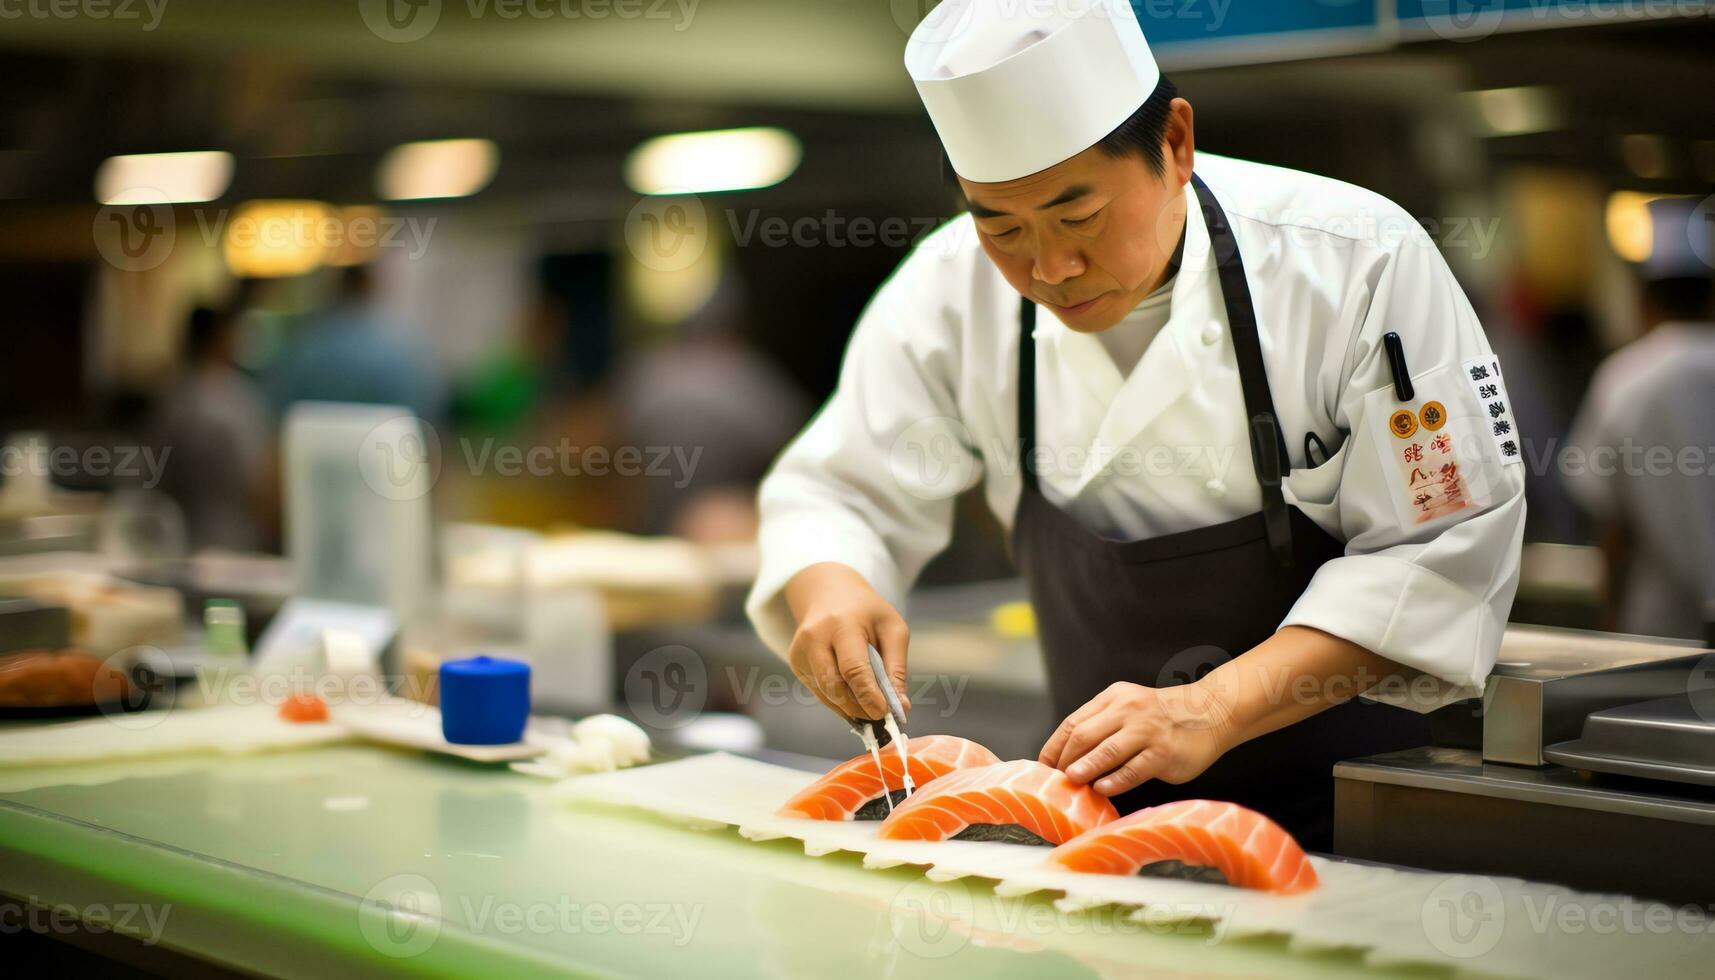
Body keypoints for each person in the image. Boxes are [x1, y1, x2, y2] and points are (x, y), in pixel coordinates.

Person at [744, 0, 1526, 848]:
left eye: (1078, 217)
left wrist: (1213, 705)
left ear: (1176, 144)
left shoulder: (1353, 260)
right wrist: (833, 584)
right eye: (1001, 226)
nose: (1049, 268)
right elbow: (839, 488)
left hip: (1362, 811)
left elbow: (1440, 550)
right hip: (1102, 826)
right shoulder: (948, 287)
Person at [1566, 197, 1715, 642]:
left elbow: (1611, 523)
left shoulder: (1626, 378)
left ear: (1644, 297)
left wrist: (1607, 622)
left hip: (1660, 630)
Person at [150, 305, 272, 552]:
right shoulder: (236, 399)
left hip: (180, 541)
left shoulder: (173, 396)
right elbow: (260, 482)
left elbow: (152, 472)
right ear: (221, 336)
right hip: (236, 541)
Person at [263, 264, 445, 423]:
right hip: (382, 453)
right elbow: (422, 411)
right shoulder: (401, 349)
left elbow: (277, 406)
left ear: (337, 289)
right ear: (370, 289)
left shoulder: (305, 346)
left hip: (316, 452)